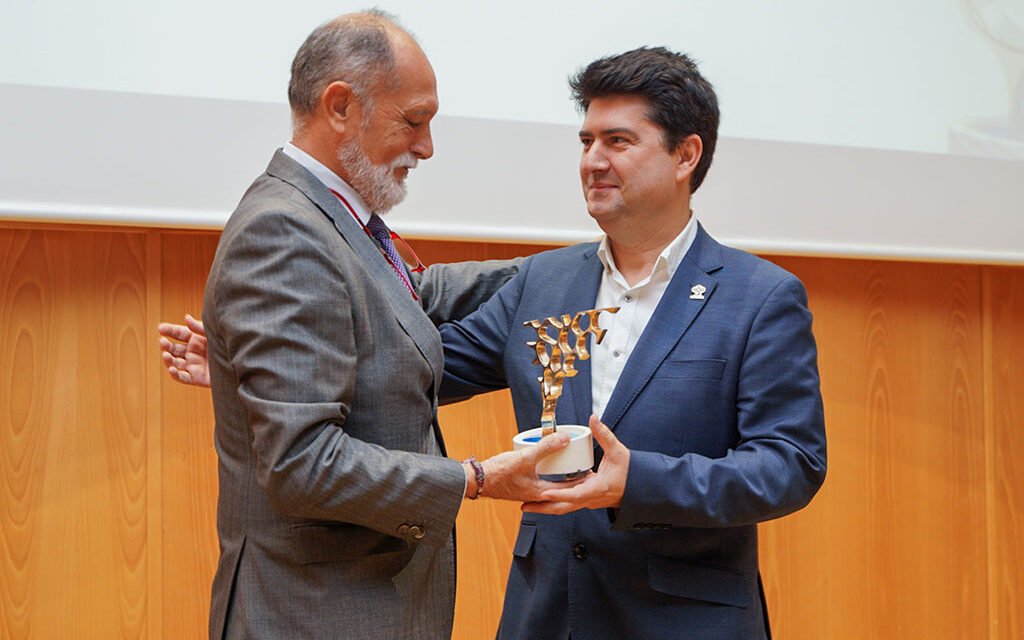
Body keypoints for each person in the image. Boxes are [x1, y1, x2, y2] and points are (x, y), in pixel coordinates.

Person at [162, 46, 827, 640]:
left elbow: (791, 464)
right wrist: (259, 372)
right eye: (586, 139)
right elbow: (418, 365)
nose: (593, 160)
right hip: (547, 614)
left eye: (618, 141)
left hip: (684, 618)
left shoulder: (758, 296)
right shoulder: (548, 282)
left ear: (686, 154)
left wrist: (641, 482)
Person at [190, 11, 574, 640]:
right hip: (312, 615)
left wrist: (575, 267)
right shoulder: (284, 231)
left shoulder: (330, 218)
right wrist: (478, 479)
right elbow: (303, 464)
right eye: (413, 121)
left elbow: (414, 294)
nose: (427, 147)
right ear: (339, 106)